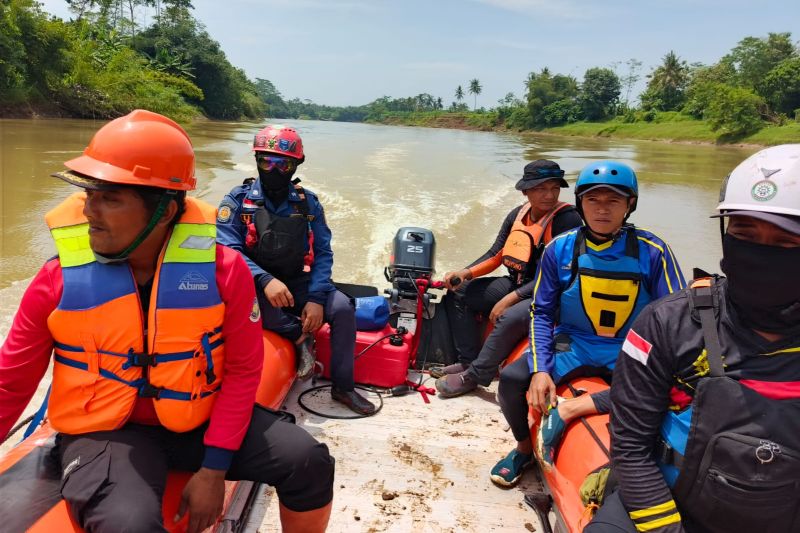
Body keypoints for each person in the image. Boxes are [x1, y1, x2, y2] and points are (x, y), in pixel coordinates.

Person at [0, 110, 334, 533]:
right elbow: (9, 384)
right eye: (89, 195)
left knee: (308, 460)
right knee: (130, 524)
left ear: (163, 211)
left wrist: (214, 469)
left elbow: (243, 370)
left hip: (198, 417)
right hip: (107, 431)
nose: (89, 211)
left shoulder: (223, 272)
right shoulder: (55, 280)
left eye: (110, 198)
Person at [587, 145, 800, 533]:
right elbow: (630, 445)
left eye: (785, 243)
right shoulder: (669, 322)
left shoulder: (651, 250)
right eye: (743, 233)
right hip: (671, 503)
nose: (759, 254)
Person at [491, 160, 685, 488]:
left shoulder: (654, 251)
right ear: (581, 204)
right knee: (511, 380)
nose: (602, 210)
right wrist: (540, 370)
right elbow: (542, 312)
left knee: (669, 390)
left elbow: (675, 319)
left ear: (630, 205)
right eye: (593, 200)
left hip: (630, 348)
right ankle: (523, 449)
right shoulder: (559, 249)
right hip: (573, 342)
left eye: (613, 201)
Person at [217, 124, 375, 415]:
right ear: (257, 161)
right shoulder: (238, 201)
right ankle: (300, 337)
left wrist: (316, 298)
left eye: (283, 164)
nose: (274, 170)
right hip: (252, 284)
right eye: (267, 161)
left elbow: (324, 252)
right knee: (243, 306)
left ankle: (343, 388)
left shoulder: (308, 203)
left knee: (341, 308)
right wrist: (263, 279)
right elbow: (228, 250)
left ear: (295, 165)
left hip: (296, 280)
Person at [435, 160, 583, 398]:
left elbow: (556, 276)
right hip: (518, 283)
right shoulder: (518, 214)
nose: (549, 195)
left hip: (551, 295)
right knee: (459, 292)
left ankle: (475, 376)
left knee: (510, 315)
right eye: (540, 189)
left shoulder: (568, 220)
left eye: (554, 188)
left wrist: (510, 299)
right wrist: (464, 273)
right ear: (525, 191)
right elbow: (496, 254)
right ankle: (468, 361)